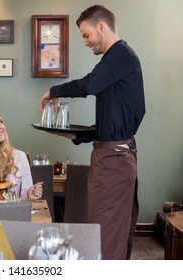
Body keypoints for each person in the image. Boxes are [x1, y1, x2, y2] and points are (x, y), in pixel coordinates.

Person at [38, 5, 145, 260]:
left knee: (105, 232)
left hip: (115, 160)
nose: (85, 42)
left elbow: (90, 84)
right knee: (102, 230)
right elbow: (114, 121)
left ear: (101, 26)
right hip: (111, 157)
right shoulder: (116, 61)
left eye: (86, 35)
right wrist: (78, 135)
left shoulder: (121, 55)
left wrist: (54, 90)